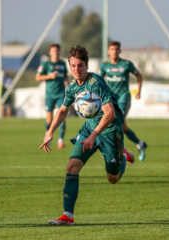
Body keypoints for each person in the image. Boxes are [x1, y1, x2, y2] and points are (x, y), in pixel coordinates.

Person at [39, 45, 135, 226]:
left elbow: (110, 114)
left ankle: (122, 155)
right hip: (89, 129)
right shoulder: (72, 88)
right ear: (69, 65)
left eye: (80, 65)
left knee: (112, 179)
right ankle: (68, 215)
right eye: (73, 65)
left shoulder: (96, 83)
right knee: (71, 166)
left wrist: (94, 136)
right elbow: (62, 110)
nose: (76, 69)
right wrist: (49, 132)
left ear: (87, 66)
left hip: (109, 131)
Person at [99, 41, 147, 161]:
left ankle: (120, 150)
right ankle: (140, 144)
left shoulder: (126, 64)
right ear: (108, 51)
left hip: (124, 97)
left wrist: (139, 91)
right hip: (111, 99)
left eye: (116, 49)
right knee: (124, 128)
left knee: (115, 120)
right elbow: (99, 80)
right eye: (112, 49)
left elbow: (139, 75)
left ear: (120, 51)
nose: (114, 51)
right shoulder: (104, 65)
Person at [36, 44, 68, 149]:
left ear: (59, 52)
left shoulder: (63, 63)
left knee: (61, 117)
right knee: (49, 120)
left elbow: (65, 77)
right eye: (53, 51)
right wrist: (50, 76)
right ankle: (47, 135)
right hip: (50, 95)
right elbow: (38, 78)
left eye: (57, 50)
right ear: (50, 53)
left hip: (61, 94)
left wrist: (67, 86)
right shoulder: (45, 64)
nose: (55, 52)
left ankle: (60, 141)